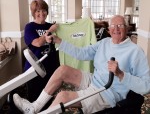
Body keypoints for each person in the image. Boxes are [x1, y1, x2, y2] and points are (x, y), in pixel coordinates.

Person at [13, 15, 150, 114]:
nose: (116, 29)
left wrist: (121, 74)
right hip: (95, 80)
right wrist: (59, 40)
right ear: (108, 29)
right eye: (113, 26)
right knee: (62, 70)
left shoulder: (135, 51)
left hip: (108, 92)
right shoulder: (105, 42)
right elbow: (82, 53)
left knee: (63, 97)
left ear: (127, 28)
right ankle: (33, 108)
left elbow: (146, 86)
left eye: (120, 25)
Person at [23, 0, 60, 102]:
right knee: (34, 97)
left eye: (44, 10)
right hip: (35, 68)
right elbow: (38, 43)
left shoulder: (50, 25)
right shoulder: (30, 27)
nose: (41, 13)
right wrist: (50, 31)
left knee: (49, 96)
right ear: (33, 13)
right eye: (38, 11)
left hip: (51, 67)